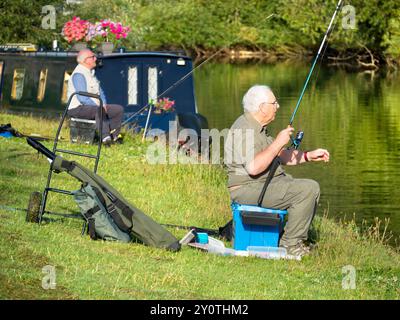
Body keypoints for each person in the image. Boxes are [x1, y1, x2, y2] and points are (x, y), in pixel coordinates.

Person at [224, 85, 330, 257]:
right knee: (307, 189)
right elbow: (254, 167)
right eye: (274, 103)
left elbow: (279, 155)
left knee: (304, 187)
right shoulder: (245, 129)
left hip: (264, 184)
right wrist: (278, 142)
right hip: (248, 189)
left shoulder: (258, 128)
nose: (278, 106)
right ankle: (290, 244)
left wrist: (308, 155)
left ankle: (289, 238)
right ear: (262, 107)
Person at [67, 49, 124, 145]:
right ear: (86, 60)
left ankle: (114, 137)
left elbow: (100, 91)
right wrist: (99, 106)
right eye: (92, 57)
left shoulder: (90, 73)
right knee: (99, 110)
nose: (95, 58)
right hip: (77, 108)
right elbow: (83, 98)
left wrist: (104, 103)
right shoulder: (79, 75)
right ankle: (106, 139)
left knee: (118, 109)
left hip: (93, 106)